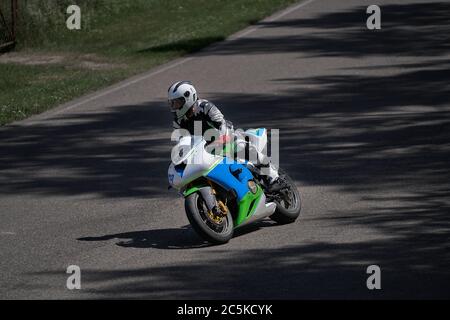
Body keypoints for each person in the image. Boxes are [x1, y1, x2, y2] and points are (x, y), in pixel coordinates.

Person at [168, 80, 280, 187]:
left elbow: (221, 123)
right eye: (172, 103)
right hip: (204, 150)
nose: (174, 107)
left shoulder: (204, 107)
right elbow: (182, 143)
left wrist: (222, 139)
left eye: (177, 102)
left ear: (188, 98)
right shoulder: (178, 121)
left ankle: (272, 175)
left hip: (224, 138)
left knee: (240, 146)